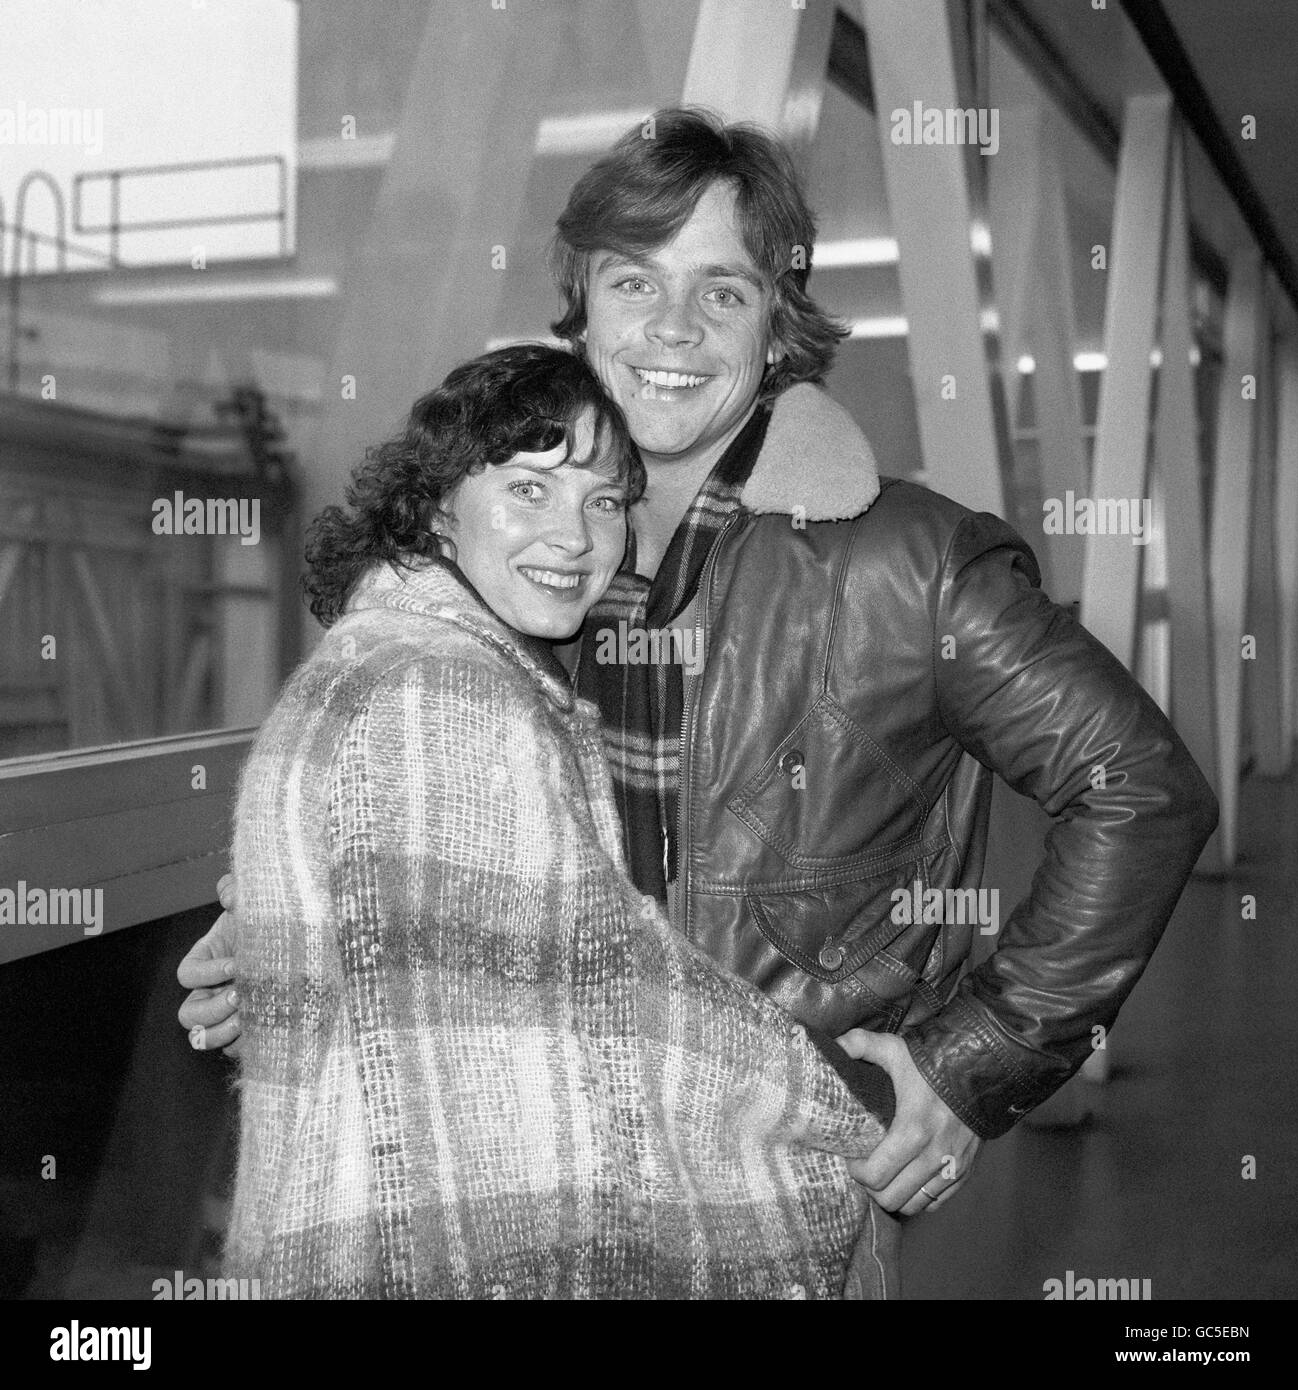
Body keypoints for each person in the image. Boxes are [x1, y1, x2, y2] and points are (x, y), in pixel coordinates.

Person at [183, 108, 1218, 1295]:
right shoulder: (536, 558)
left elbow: (1140, 787)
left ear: (777, 326)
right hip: (534, 1172)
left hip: (767, 1186)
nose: (671, 328)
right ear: (582, 304)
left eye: (721, 293)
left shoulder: (906, 560)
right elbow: (470, 810)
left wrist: (978, 1059)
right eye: (636, 282)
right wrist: (317, 912)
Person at [220, 343, 888, 1299]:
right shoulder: (441, 690)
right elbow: (604, 988)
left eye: (604, 502)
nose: (575, 538)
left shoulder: (378, 653)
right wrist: (850, 1097)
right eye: (530, 490)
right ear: (438, 501)